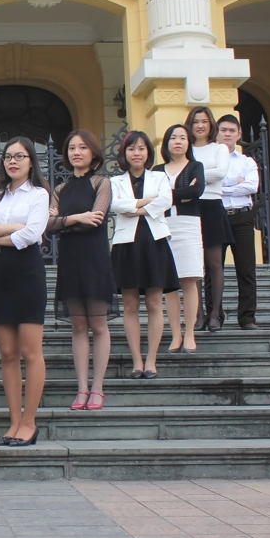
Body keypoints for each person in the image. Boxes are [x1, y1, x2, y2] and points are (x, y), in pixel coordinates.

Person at [0, 136, 50, 447]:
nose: (13, 161)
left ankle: (29, 423)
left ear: (31, 160)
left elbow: (33, 234)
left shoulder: (40, 194)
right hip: (1, 273)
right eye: (8, 156)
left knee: (31, 352)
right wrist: (13, 228)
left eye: (20, 156)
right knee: (7, 353)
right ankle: (14, 422)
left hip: (28, 273)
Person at [47, 130, 115, 411]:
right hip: (70, 259)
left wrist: (65, 221)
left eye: (83, 147)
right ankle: (82, 388)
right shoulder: (61, 189)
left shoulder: (102, 182)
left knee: (98, 325)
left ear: (93, 153)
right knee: (77, 325)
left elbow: (96, 219)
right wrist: (76, 218)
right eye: (72, 148)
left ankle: (98, 388)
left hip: (95, 257)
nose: (76, 152)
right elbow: (47, 225)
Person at [110, 131, 179, 379]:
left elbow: (165, 201)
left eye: (141, 148)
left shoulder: (160, 177)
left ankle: (151, 360)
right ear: (124, 153)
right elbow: (114, 205)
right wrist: (145, 203)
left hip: (155, 242)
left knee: (153, 304)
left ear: (148, 152)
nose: (136, 153)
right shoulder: (115, 181)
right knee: (130, 304)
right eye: (131, 149)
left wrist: (135, 206)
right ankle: (136, 361)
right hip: (126, 245)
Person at [152, 124, 205, 353]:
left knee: (189, 280)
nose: (178, 141)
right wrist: (177, 197)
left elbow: (197, 191)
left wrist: (168, 196)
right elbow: (152, 198)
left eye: (183, 138)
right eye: (173, 137)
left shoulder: (195, 166)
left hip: (188, 225)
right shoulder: (157, 169)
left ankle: (190, 333)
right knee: (169, 285)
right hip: (163, 226)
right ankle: (175, 335)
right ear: (166, 143)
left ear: (188, 143)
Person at [188, 106, 232, 332]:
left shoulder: (219, 148)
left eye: (204, 121)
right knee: (195, 265)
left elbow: (222, 172)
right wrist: (203, 173)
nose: (200, 125)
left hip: (213, 206)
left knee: (214, 263)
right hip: (191, 207)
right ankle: (198, 315)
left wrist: (193, 174)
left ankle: (216, 313)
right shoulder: (186, 150)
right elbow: (178, 175)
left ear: (210, 124)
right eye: (196, 121)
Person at [217, 114, 260, 330]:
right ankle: (215, 316)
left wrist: (222, 187)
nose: (227, 133)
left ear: (239, 134)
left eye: (231, 130)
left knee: (246, 269)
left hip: (242, 216)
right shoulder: (208, 161)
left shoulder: (247, 161)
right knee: (214, 269)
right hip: (217, 216)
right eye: (223, 129)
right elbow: (208, 188)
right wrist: (235, 182)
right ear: (217, 133)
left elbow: (252, 187)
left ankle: (247, 318)